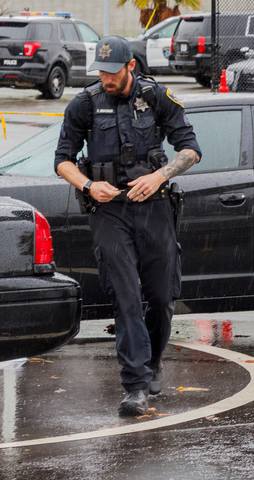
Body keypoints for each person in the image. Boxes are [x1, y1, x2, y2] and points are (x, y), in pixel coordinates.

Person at [54, 35, 201, 417]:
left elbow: (190, 149)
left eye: (112, 71)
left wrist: (160, 177)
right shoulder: (85, 103)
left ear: (130, 66)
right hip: (109, 211)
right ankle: (135, 385)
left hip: (154, 207)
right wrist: (87, 185)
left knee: (162, 296)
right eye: (100, 71)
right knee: (126, 296)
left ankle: (152, 362)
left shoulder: (156, 98)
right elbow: (62, 160)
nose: (105, 78)